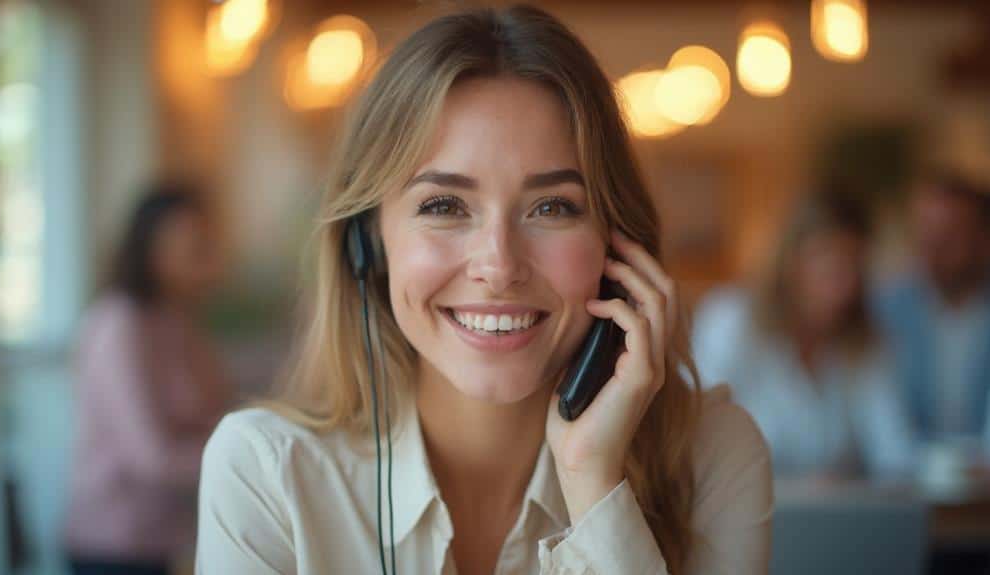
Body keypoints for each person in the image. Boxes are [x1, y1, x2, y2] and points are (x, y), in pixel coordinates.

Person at [196, 5, 772, 574]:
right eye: (444, 206)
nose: (498, 267)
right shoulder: (267, 472)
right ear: (367, 242)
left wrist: (594, 484)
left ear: (618, 247)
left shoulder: (712, 458)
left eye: (552, 207)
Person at [64, 182, 232, 575]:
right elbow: (150, 458)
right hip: (114, 544)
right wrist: (246, 455)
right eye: (191, 244)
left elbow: (217, 409)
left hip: (168, 538)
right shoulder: (118, 324)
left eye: (205, 242)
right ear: (150, 246)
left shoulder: (177, 318)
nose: (204, 256)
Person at [694, 192, 914, 480]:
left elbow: (894, 452)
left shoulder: (865, 340)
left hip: (839, 519)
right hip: (739, 515)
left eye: (854, 266)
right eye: (830, 264)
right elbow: (698, 440)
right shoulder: (731, 320)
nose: (845, 285)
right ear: (791, 260)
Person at [875, 170, 990, 450]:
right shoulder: (885, 311)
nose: (933, 248)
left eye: (949, 234)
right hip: (909, 481)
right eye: (925, 232)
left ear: (984, 238)